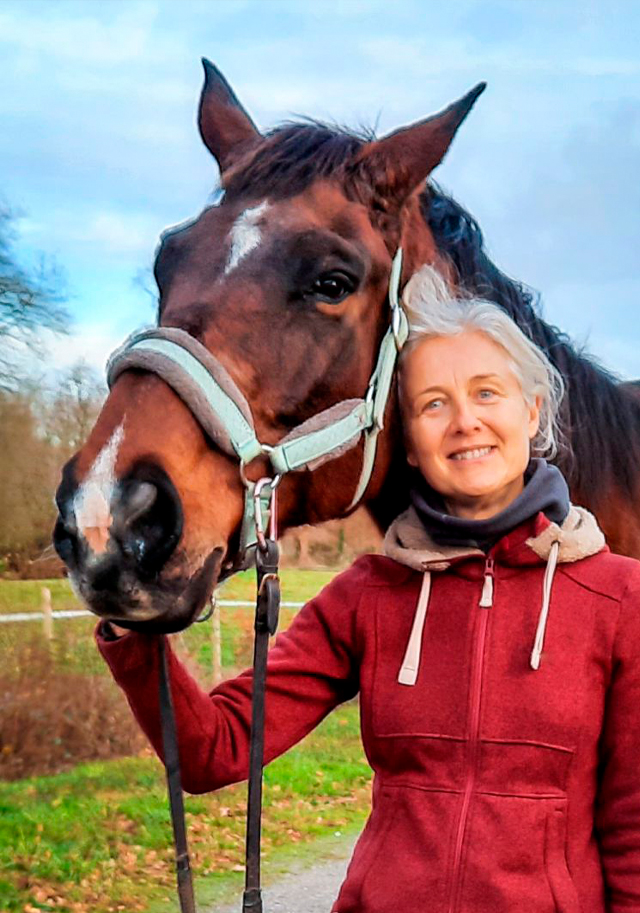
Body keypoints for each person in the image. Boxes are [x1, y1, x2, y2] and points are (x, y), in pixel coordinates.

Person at [97, 266, 640, 912]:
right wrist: (132, 622)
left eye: (487, 393)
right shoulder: (368, 595)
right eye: (433, 403)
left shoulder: (620, 598)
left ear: (531, 410)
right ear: (410, 442)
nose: (464, 421)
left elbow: (632, 833)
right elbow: (217, 745)